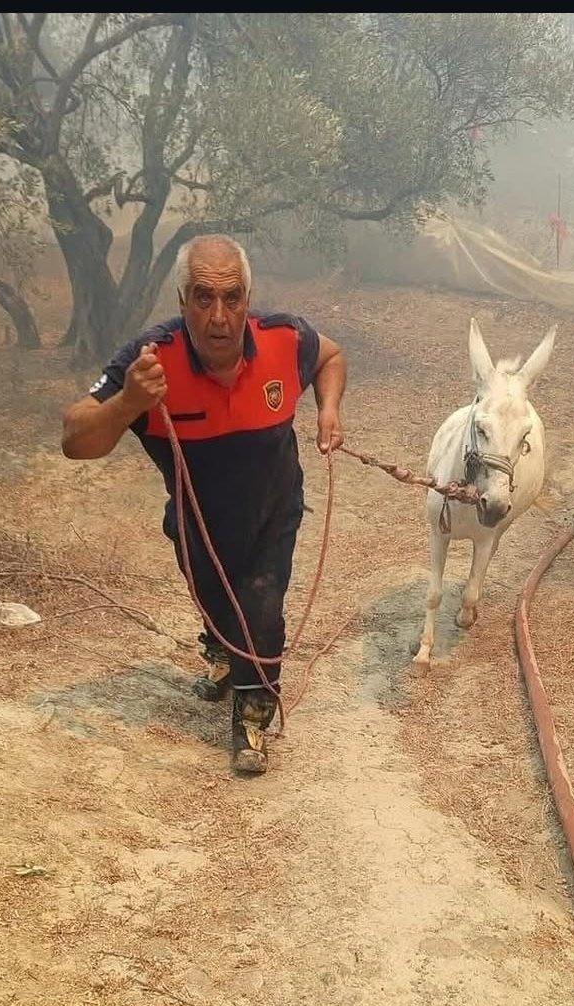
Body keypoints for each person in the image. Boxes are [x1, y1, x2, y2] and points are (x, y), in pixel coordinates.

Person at [60, 234, 347, 775]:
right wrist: (128, 403)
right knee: (219, 609)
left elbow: (331, 356)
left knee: (260, 609)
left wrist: (327, 409)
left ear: (248, 297)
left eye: (232, 297)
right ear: (182, 300)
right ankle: (221, 650)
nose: (219, 317)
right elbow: (76, 441)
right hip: (198, 521)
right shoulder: (150, 361)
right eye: (203, 298)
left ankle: (253, 717)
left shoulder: (285, 338)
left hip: (273, 509)